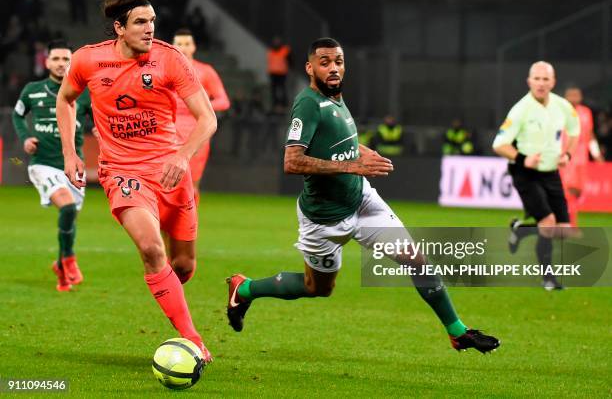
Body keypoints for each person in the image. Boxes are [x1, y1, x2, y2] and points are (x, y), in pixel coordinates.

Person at [225, 38, 500, 354]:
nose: (333, 67)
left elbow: (338, 143)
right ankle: (244, 288)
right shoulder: (308, 104)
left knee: (417, 261)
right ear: (309, 67)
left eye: (338, 61)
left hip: (362, 202)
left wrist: (364, 154)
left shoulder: (337, 99)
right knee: (318, 288)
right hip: (324, 218)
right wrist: (354, 165)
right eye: (325, 61)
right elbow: (292, 161)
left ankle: (457, 331)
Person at [55, 0, 217, 361]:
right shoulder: (88, 60)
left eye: (153, 21)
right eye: (141, 22)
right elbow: (65, 99)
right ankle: (193, 339)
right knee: (150, 249)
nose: (150, 29)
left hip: (170, 173)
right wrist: (70, 152)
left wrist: (182, 154)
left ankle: (172, 295)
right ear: (120, 28)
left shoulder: (169, 59)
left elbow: (208, 118)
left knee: (184, 267)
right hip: (124, 174)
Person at [12, 39, 91, 292]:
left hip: (72, 165)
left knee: (69, 219)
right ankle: (69, 260)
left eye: (66, 59)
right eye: (55, 59)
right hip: (43, 164)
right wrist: (25, 138)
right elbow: (17, 114)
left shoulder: (84, 94)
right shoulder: (33, 90)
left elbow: (99, 116)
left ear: (72, 62)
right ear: (46, 62)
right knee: (67, 207)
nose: (60, 64)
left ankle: (60, 268)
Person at [493, 61, 580, 291]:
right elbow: (499, 144)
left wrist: (568, 154)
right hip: (526, 172)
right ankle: (548, 279)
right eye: (537, 79)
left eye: (545, 79)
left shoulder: (562, 106)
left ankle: (521, 230)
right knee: (548, 223)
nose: (541, 83)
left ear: (553, 82)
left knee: (562, 230)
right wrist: (523, 158)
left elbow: (574, 131)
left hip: (551, 172)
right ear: (529, 81)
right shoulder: (521, 110)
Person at [173, 28, 230, 204]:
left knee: (192, 184)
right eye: (179, 44)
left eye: (187, 43)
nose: (183, 47)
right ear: (173, 46)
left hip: (197, 131)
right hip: (169, 131)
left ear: (194, 47)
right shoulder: (164, 70)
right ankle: (165, 230)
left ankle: (188, 228)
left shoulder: (205, 71)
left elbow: (224, 101)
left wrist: (200, 107)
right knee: (168, 185)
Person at [560, 85, 604, 226]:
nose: (573, 98)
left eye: (576, 95)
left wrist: (596, 154)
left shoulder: (586, 112)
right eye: (570, 95)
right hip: (567, 158)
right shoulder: (560, 113)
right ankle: (569, 224)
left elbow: (590, 135)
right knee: (568, 192)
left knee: (579, 192)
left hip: (582, 158)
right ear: (565, 97)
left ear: (580, 97)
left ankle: (567, 222)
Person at [267, 36, 291, 108]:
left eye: (277, 41)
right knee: (274, 90)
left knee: (282, 89)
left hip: (282, 73)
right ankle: (275, 103)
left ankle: (284, 103)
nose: (276, 42)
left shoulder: (285, 50)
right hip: (273, 73)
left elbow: (290, 60)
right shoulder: (270, 50)